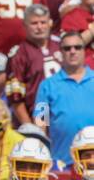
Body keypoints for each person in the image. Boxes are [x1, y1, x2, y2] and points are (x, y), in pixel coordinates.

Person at [34, 33, 94, 167]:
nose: (72, 51)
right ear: (60, 53)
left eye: (77, 47)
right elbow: (40, 124)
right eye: (67, 48)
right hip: (62, 163)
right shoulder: (46, 86)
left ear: (84, 50)